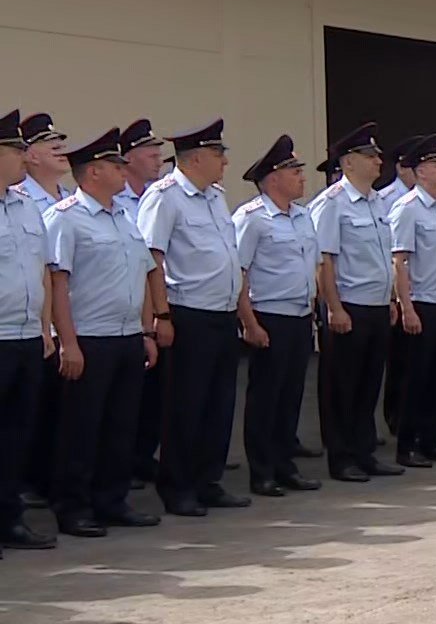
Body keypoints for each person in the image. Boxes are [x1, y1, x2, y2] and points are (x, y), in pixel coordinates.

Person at [44, 129, 161, 538]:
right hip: (90, 337)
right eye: (114, 165)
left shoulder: (124, 216)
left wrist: (147, 330)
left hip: (127, 336)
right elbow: (57, 284)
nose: (121, 170)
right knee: (81, 427)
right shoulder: (66, 218)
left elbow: (144, 274)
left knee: (120, 426)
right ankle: (73, 507)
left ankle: (111, 500)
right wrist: (68, 342)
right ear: (93, 171)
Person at [140, 119, 249, 517]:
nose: (224, 163)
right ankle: (178, 486)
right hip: (187, 313)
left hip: (220, 313)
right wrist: (160, 314)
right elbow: (152, 257)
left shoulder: (215, 198)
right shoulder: (164, 197)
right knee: (186, 403)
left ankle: (208, 480)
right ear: (197, 158)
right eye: (219, 155)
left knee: (219, 403)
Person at [311, 123, 403, 483]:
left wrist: (392, 298)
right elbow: (325, 261)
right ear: (348, 163)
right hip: (348, 305)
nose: (378, 160)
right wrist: (333, 307)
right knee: (342, 385)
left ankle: (365, 451)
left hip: (377, 304)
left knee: (368, 384)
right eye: (370, 156)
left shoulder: (378, 201)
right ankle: (342, 455)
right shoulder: (332, 204)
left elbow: (384, 257)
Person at [232, 135, 322, 498]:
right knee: (266, 397)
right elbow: (239, 272)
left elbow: (312, 266)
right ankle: (263, 470)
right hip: (269, 316)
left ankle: (286, 464)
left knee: (292, 395)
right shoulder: (252, 218)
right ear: (273, 178)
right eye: (294, 171)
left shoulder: (303, 217)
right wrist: (249, 322)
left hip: (300, 316)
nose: (302, 177)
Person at [388, 135, 436, 469]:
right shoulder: (408, 209)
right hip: (421, 303)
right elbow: (399, 261)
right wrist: (406, 307)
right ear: (420, 172)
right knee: (415, 379)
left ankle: (432, 440)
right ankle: (407, 445)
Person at [0, 110, 57, 551]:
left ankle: (10, 520)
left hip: (24, 336)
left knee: (18, 436)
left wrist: (45, 329)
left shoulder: (26, 206)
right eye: (15, 150)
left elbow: (42, 273)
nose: (23, 157)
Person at [18, 112, 70, 512]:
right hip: (31, 322)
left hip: (65, 320)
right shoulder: (24, 199)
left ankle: (50, 478)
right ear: (28, 156)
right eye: (47, 143)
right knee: (29, 411)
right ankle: (29, 482)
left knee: (55, 409)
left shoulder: (63, 198)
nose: (59, 148)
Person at [117, 119, 172, 486]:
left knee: (154, 393)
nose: (157, 160)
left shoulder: (155, 196)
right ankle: (127, 460)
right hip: (123, 310)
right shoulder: (116, 202)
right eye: (150, 154)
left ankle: (143, 455)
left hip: (151, 304)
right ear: (129, 159)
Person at [378, 135, 426, 438]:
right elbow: (393, 254)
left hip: (423, 292)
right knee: (399, 361)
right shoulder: (387, 199)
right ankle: (395, 415)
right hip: (400, 291)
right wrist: (397, 297)